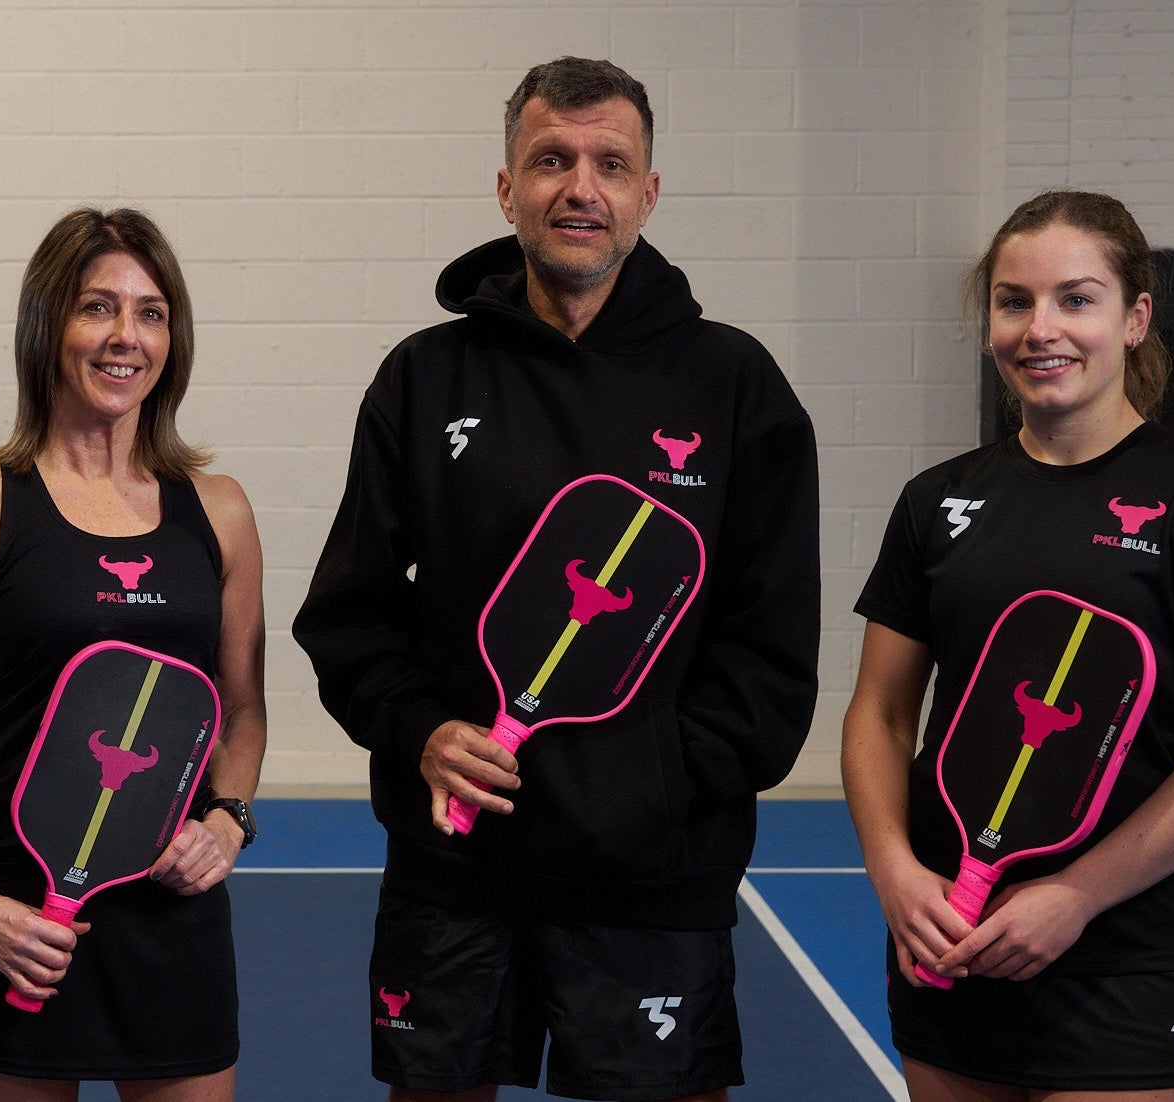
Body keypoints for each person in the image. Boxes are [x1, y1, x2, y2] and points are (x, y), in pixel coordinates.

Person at [292, 57, 820, 1102]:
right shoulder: (422, 376)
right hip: (455, 868)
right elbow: (348, 616)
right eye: (550, 160)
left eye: (609, 163)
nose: (580, 186)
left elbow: (769, 654)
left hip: (651, 876)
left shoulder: (734, 384)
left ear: (647, 194)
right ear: (505, 188)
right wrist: (419, 732)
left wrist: (653, 788)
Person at [840, 190, 1174, 1101]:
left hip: (1129, 955)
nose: (1039, 328)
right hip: (951, 944)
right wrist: (895, 873)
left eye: (1075, 299)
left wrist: (1079, 895)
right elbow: (882, 713)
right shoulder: (937, 501)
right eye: (1014, 301)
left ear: (1134, 320)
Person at [0, 207, 267, 1101]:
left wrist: (230, 819)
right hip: (19, 909)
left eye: (152, 312)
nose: (126, 336)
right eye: (98, 308)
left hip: (171, 907)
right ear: (48, 326)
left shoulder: (221, 510)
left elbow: (242, 708)